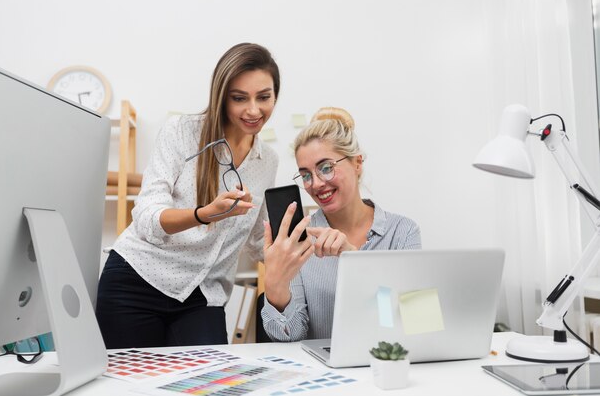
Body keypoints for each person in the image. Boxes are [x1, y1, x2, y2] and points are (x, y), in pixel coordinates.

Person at [96, 43, 280, 348]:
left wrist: (307, 242)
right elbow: (146, 218)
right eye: (239, 98)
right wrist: (203, 215)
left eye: (264, 97)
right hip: (137, 282)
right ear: (221, 97)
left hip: (203, 295)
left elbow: (260, 241)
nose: (253, 110)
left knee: (210, 388)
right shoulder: (181, 132)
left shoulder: (268, 160)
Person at [261, 107, 421, 342]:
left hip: (386, 365)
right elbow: (292, 336)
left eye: (326, 168)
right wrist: (276, 287)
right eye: (306, 175)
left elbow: (416, 320)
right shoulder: (300, 241)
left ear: (357, 163)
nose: (315, 184)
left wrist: (355, 260)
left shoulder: (403, 232)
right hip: (326, 374)